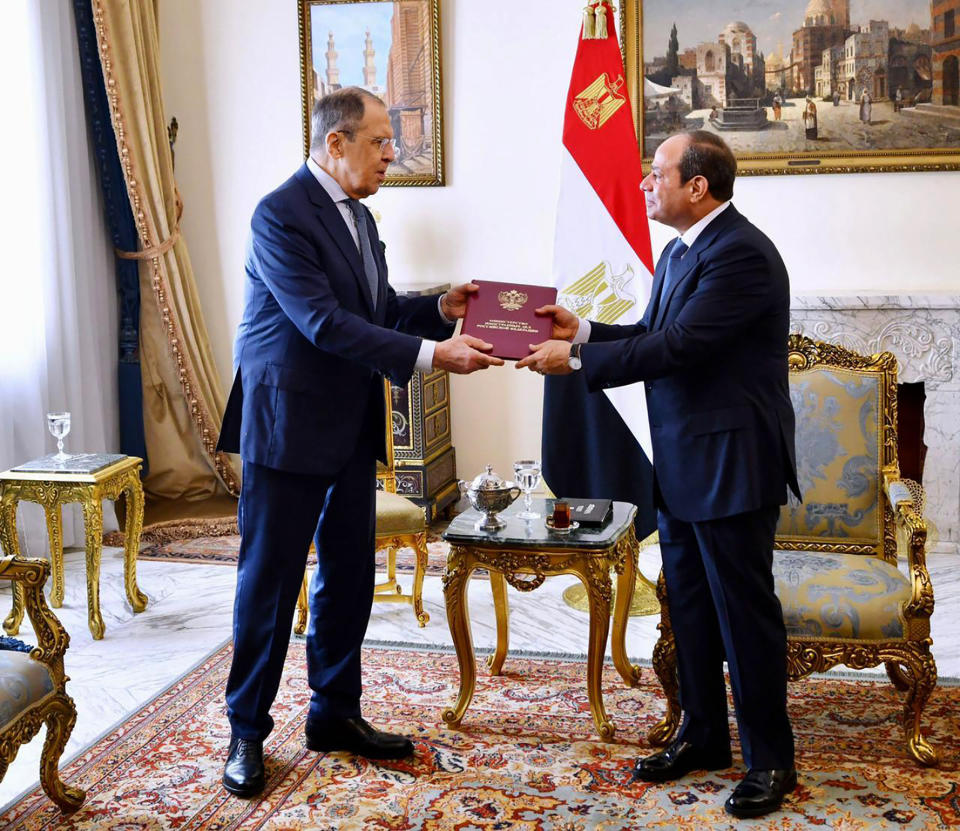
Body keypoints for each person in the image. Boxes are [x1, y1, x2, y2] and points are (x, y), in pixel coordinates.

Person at [216, 86, 503, 798]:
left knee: (347, 573)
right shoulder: (278, 214)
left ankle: (334, 712)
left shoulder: (362, 218)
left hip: (346, 422)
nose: (391, 152)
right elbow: (322, 324)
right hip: (285, 427)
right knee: (270, 584)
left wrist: (441, 308)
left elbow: (374, 311)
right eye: (379, 140)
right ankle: (245, 731)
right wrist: (437, 356)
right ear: (335, 143)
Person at [518, 130, 800, 819]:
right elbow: (651, 329)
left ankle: (771, 759)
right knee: (692, 611)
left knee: (745, 617)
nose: (645, 183)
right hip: (682, 461)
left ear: (696, 186)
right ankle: (702, 734)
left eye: (656, 173)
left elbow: (680, 346)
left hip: (732, 464)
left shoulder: (741, 255)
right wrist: (582, 330)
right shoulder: (682, 252)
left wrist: (577, 363)